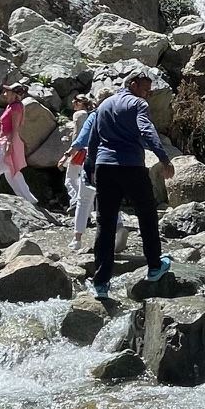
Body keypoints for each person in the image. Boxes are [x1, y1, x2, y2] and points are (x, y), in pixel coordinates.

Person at [78, 70, 176, 297]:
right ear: (132, 84)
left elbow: (93, 140)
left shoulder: (103, 106)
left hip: (104, 168)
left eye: (149, 92)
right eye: (145, 89)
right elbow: (146, 130)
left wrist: (90, 167)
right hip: (131, 166)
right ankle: (154, 267)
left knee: (106, 224)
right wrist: (163, 158)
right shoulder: (137, 105)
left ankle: (101, 284)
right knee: (147, 214)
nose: (147, 95)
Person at [0, 82, 38, 201]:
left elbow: (15, 128)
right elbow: (6, 125)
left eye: (8, 91)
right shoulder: (12, 106)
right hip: (7, 141)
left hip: (7, 142)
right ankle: (30, 200)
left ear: (14, 94)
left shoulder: (16, 107)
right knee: (12, 172)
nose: (5, 94)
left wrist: (9, 145)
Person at [65, 92, 96, 253]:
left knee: (70, 180)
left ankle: (77, 238)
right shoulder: (92, 114)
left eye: (76, 100)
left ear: (80, 103)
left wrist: (68, 153)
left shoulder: (79, 114)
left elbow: (80, 135)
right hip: (96, 155)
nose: (73, 102)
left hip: (80, 152)